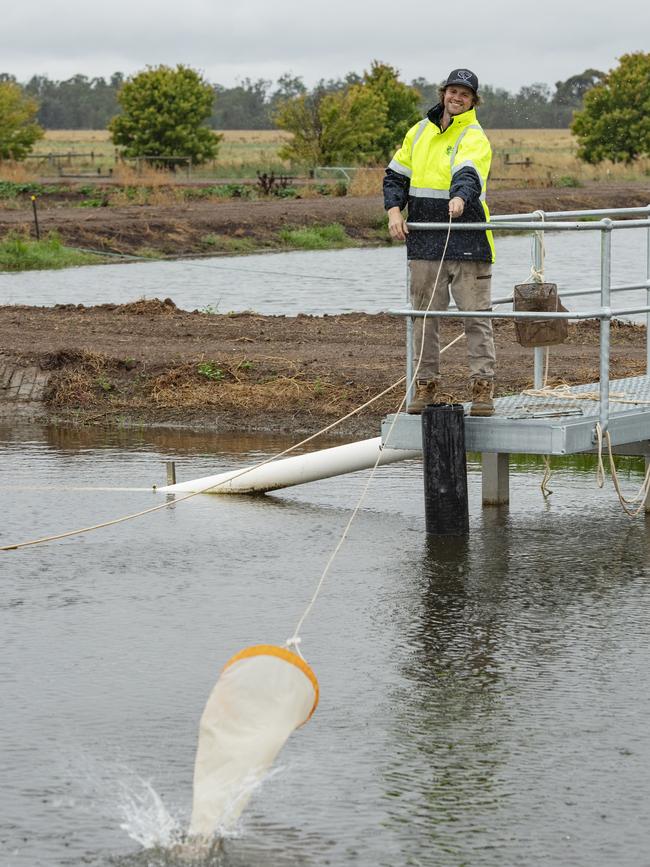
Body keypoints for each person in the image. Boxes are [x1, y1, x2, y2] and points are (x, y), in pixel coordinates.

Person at [383, 68, 496, 416]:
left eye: (464, 94)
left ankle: (482, 390)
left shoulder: (474, 136)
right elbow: (394, 176)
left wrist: (461, 198)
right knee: (424, 318)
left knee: (475, 318)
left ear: (473, 100)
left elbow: (468, 172)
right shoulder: (418, 132)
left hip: (467, 240)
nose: (456, 98)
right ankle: (425, 386)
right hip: (424, 242)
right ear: (443, 93)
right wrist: (393, 212)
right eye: (452, 91)